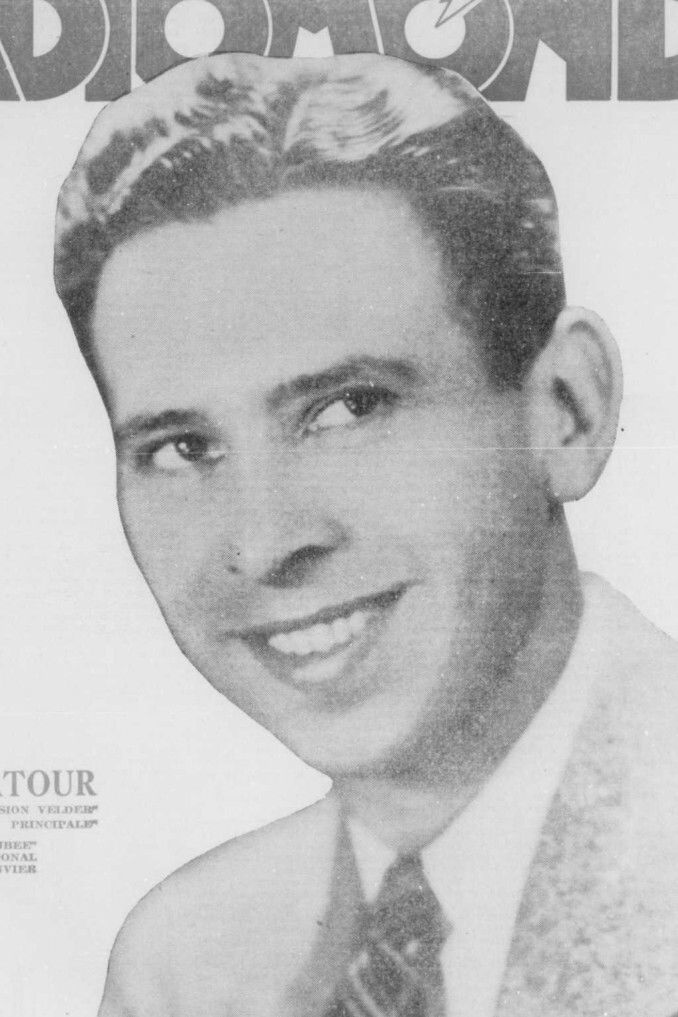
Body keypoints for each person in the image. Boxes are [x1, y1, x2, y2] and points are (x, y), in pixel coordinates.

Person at [54, 52, 678, 1017]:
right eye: (182, 448)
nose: (265, 541)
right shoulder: (185, 967)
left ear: (567, 410)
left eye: (349, 406)